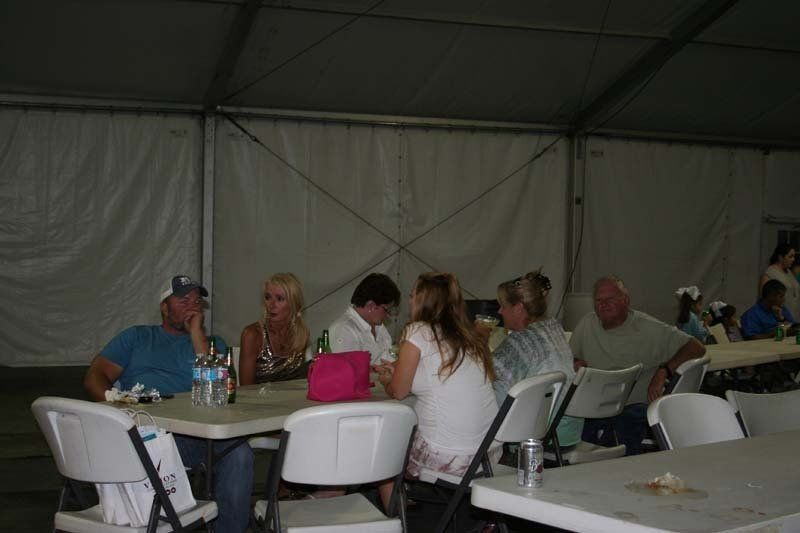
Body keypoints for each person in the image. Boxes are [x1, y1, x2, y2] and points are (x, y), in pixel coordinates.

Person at [83, 275, 254, 533]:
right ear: (164, 307)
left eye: (196, 301)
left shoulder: (213, 344)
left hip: (195, 435)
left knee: (239, 453)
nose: (192, 306)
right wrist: (115, 405)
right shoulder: (137, 337)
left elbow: (219, 391)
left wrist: (196, 335)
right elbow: (95, 375)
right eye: (183, 300)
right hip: (147, 434)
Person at [375, 272, 499, 510]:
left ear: (423, 300)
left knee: (382, 444)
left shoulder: (417, 331)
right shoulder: (469, 336)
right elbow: (437, 374)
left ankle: (395, 516)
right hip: (486, 454)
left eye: (413, 295)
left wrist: (387, 380)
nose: (410, 301)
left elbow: (398, 392)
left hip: (450, 457)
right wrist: (400, 369)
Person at [569, 276, 706, 455]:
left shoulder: (649, 328)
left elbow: (697, 347)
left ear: (625, 300)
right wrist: (574, 362)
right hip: (592, 405)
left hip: (632, 405)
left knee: (625, 425)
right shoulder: (587, 323)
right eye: (598, 300)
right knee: (568, 423)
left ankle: (618, 464)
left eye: (610, 299)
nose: (603, 305)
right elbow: (570, 357)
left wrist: (665, 370)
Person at [489, 270, 583, 448]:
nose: (500, 311)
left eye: (503, 305)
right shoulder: (554, 328)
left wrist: (478, 341)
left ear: (518, 308)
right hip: (565, 432)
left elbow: (486, 377)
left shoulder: (520, 341)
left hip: (536, 437)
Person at [239, 272, 311, 385]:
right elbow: (245, 389)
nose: (271, 305)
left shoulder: (301, 334)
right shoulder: (252, 335)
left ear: (294, 303)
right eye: (268, 297)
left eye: (279, 299)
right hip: (259, 397)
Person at [329, 273, 401, 364]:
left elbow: (389, 358)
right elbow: (345, 370)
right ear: (371, 306)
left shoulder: (378, 326)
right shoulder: (344, 330)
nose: (388, 315)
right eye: (387, 310)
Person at [759, 244, 800, 321]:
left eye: (794, 256)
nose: (793, 259)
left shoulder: (789, 272)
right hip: (780, 319)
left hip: (794, 318)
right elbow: (764, 299)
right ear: (781, 257)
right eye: (790, 256)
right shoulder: (770, 273)